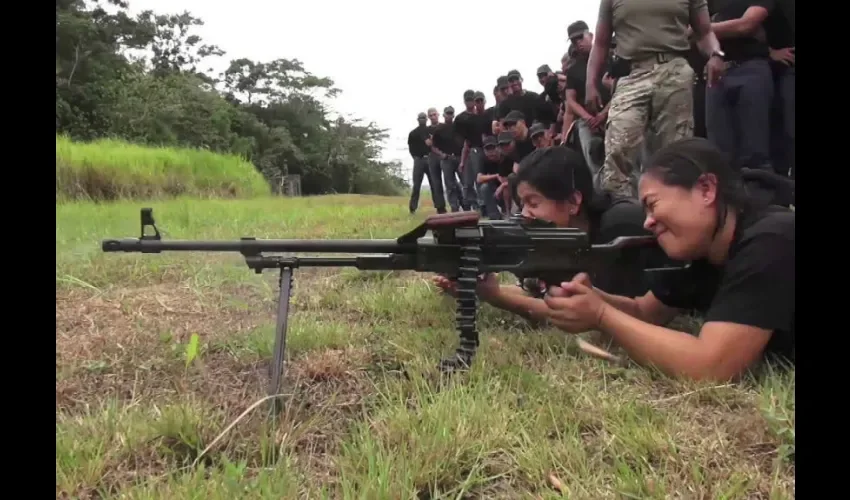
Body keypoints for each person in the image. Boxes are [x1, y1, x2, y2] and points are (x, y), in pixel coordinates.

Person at [542, 138, 795, 381]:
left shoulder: (770, 240)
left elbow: (713, 365)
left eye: (652, 205)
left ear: (706, 189)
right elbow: (644, 311)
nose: (647, 222)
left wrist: (600, 314)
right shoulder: (707, 250)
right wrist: (593, 296)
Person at [434, 146, 666, 322]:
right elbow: (546, 293)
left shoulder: (618, 227)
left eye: (533, 203)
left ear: (573, 201)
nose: (525, 214)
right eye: (521, 204)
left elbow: (582, 312)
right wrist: (483, 289)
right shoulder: (573, 232)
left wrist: (497, 297)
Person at [587, 0, 725, 199]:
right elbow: (600, 42)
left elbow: (704, 31)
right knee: (618, 144)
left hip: (674, 69)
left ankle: (672, 207)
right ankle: (620, 210)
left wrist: (716, 53)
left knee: (674, 151)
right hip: (632, 73)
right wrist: (590, 83)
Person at [407, 112, 442, 214]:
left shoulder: (429, 131)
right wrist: (416, 158)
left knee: (434, 184)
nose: (422, 120)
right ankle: (412, 208)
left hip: (430, 159)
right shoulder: (413, 133)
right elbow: (411, 149)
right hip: (419, 160)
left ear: (426, 119)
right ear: (418, 119)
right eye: (420, 118)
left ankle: (439, 207)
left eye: (424, 118)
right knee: (416, 185)